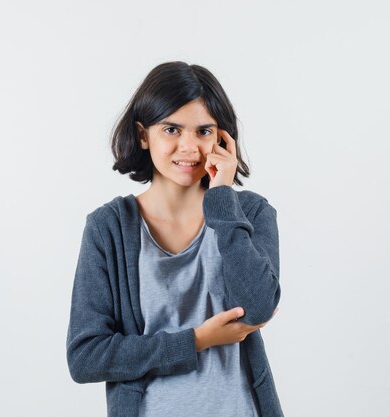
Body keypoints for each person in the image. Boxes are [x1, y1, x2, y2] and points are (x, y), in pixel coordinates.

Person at [66, 61, 283, 417]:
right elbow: (86, 357)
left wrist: (222, 196)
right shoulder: (108, 228)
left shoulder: (251, 213)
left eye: (203, 131)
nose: (189, 147)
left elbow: (258, 307)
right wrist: (197, 341)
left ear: (222, 139)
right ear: (142, 135)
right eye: (171, 129)